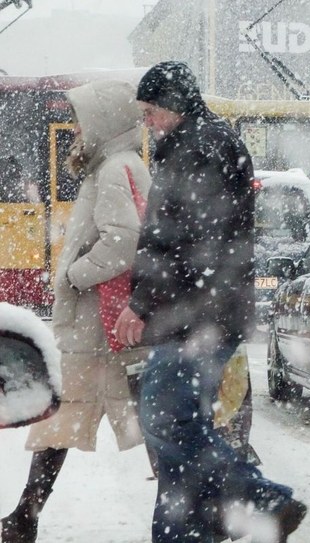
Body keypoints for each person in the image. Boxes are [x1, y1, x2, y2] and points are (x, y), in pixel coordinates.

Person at [113, 60, 306, 543]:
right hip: (208, 309)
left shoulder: (196, 151)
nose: (147, 121)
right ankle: (183, 534)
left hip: (196, 314)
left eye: (151, 111)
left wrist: (140, 301)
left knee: (166, 418)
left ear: (173, 106)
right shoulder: (204, 141)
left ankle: (261, 498)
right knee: (182, 426)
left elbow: (180, 239)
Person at [1, 79, 153, 542]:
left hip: (98, 327)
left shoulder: (112, 170)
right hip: (105, 327)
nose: (75, 132)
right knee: (142, 424)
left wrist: (73, 276)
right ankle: (24, 515)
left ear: (103, 122)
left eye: (82, 121)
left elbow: (124, 241)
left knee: (67, 420)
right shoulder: (117, 165)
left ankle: (230, 497)